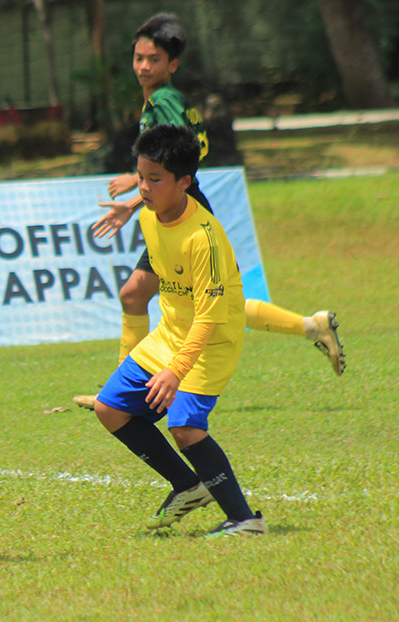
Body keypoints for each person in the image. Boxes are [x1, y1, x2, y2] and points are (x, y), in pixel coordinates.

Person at [74, 13, 345, 410]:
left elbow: (179, 159)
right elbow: (190, 151)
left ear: (173, 64)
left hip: (183, 213)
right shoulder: (173, 100)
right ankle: (310, 325)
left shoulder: (163, 103)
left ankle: (120, 392)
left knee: (178, 300)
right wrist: (139, 184)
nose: (143, 67)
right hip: (182, 205)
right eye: (138, 58)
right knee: (166, 297)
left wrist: (135, 198)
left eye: (153, 59)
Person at [94, 124, 265, 536]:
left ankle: (244, 520)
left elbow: (208, 317)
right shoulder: (151, 218)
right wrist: (131, 205)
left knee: (185, 427)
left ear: (184, 182)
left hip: (211, 340)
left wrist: (175, 370)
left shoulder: (203, 237)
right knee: (110, 409)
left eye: (155, 180)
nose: (145, 188)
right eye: (141, 177)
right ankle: (187, 485)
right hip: (169, 334)